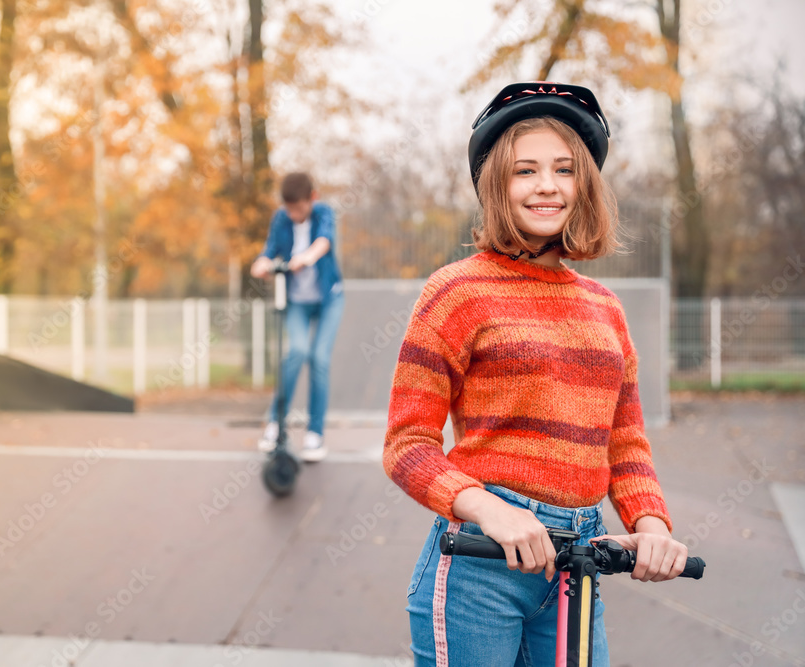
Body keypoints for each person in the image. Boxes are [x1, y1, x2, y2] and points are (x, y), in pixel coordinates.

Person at [383, 82, 688, 666]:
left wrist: (651, 527)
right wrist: (492, 511)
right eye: (525, 171)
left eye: (564, 170)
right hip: (481, 564)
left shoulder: (605, 309)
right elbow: (407, 445)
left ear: (585, 186)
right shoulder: (456, 291)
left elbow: (624, 445)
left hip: (580, 563)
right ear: (497, 185)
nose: (547, 185)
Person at [251, 172, 344, 462]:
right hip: (297, 302)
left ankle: (314, 435)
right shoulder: (280, 219)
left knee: (319, 359)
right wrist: (262, 264)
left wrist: (305, 257)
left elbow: (324, 242)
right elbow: (269, 251)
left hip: (329, 298)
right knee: (297, 351)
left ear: (311, 199)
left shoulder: (323, 212)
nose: (293, 214)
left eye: (298, 209)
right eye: (289, 209)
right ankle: (275, 423)